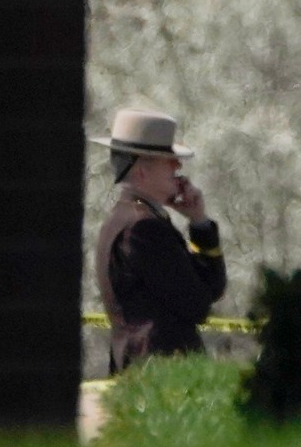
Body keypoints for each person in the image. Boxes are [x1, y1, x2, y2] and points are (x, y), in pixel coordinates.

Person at [91, 108, 227, 372]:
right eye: (168, 161)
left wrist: (198, 222)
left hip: (147, 368)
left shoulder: (128, 217)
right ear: (142, 171)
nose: (178, 167)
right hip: (160, 371)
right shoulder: (144, 228)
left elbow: (211, 289)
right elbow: (198, 304)